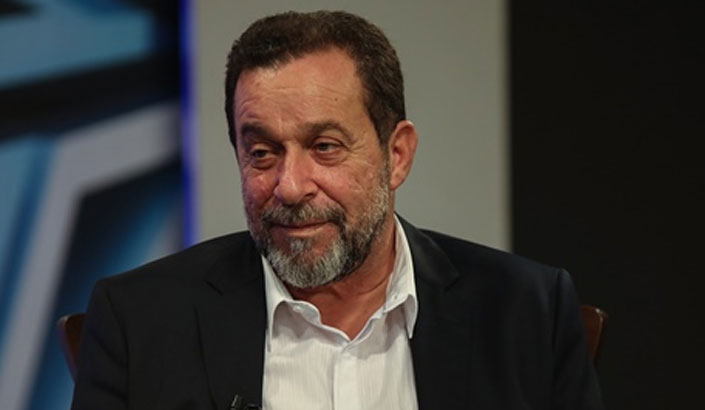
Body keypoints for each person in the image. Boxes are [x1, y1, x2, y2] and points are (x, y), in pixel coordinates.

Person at [71, 10, 604, 410]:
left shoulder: (524, 310)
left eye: (325, 147)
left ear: (397, 155)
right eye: (262, 153)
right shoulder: (140, 322)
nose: (290, 186)